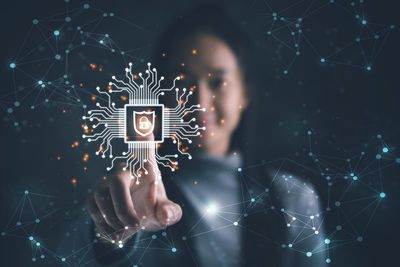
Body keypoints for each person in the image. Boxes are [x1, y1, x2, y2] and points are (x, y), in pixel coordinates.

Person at [82, 4, 327, 266]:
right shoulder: (138, 194)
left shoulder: (294, 198)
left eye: (217, 82)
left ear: (245, 92)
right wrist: (114, 232)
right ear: (160, 97)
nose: (199, 101)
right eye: (181, 82)